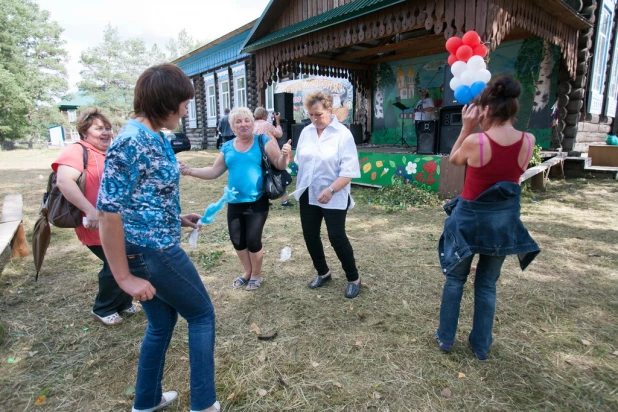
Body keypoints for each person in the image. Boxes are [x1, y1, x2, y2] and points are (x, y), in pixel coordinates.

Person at [97, 64, 220, 412]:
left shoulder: (157, 136)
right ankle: (204, 404)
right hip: (153, 253)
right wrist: (123, 277)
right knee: (201, 315)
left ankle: (146, 402)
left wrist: (176, 218)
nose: (185, 110)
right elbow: (108, 212)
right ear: (166, 102)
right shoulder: (130, 142)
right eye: (183, 103)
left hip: (155, 241)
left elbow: (144, 195)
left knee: (162, 322)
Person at [435, 75, 541, 360]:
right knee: (486, 285)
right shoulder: (528, 141)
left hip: (469, 221)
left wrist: (466, 127)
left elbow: (454, 159)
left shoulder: (475, 142)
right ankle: (481, 346)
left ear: (486, 110)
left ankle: (446, 339)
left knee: (455, 281)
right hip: (503, 222)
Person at [180, 107, 291, 291]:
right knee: (237, 240)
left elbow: (279, 163)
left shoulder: (263, 141)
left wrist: (285, 155)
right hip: (234, 202)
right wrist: (190, 171)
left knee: (253, 240)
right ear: (232, 127)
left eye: (246, 120)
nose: (243, 124)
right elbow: (214, 171)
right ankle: (247, 272)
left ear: (252, 123)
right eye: (238, 122)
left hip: (257, 201)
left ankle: (256, 274)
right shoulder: (227, 147)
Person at [52, 107, 139, 327]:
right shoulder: (77, 150)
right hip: (93, 222)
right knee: (115, 261)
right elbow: (64, 181)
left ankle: (123, 301)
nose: (105, 132)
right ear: (84, 131)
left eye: (108, 128)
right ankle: (104, 308)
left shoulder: (108, 152)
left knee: (127, 258)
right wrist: (90, 210)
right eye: (98, 128)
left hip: (117, 220)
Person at [292, 91, 362, 299]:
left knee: (336, 236)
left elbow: (349, 171)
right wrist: (287, 155)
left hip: (334, 193)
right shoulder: (306, 132)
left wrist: (331, 189)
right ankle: (323, 272)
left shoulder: (342, 134)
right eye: (311, 115)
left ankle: (353, 278)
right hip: (308, 192)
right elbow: (300, 160)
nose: (315, 119)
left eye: (319, 115)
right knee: (310, 235)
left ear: (330, 110)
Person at [253, 107, 293, 207]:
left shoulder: (252, 125)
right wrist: (278, 122)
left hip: (258, 154)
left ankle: (264, 199)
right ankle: (284, 201)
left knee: (262, 176)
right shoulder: (266, 124)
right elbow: (279, 134)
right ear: (264, 115)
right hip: (271, 152)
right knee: (280, 174)